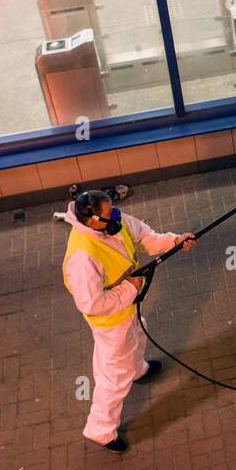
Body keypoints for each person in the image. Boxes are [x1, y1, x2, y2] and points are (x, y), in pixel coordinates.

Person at [58, 187, 197, 453]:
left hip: (127, 309)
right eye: (109, 214)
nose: (117, 217)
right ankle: (100, 430)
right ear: (93, 221)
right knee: (113, 375)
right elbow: (92, 303)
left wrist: (176, 241)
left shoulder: (112, 223)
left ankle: (137, 370)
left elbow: (145, 235)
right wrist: (130, 288)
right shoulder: (82, 257)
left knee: (137, 335)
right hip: (111, 321)